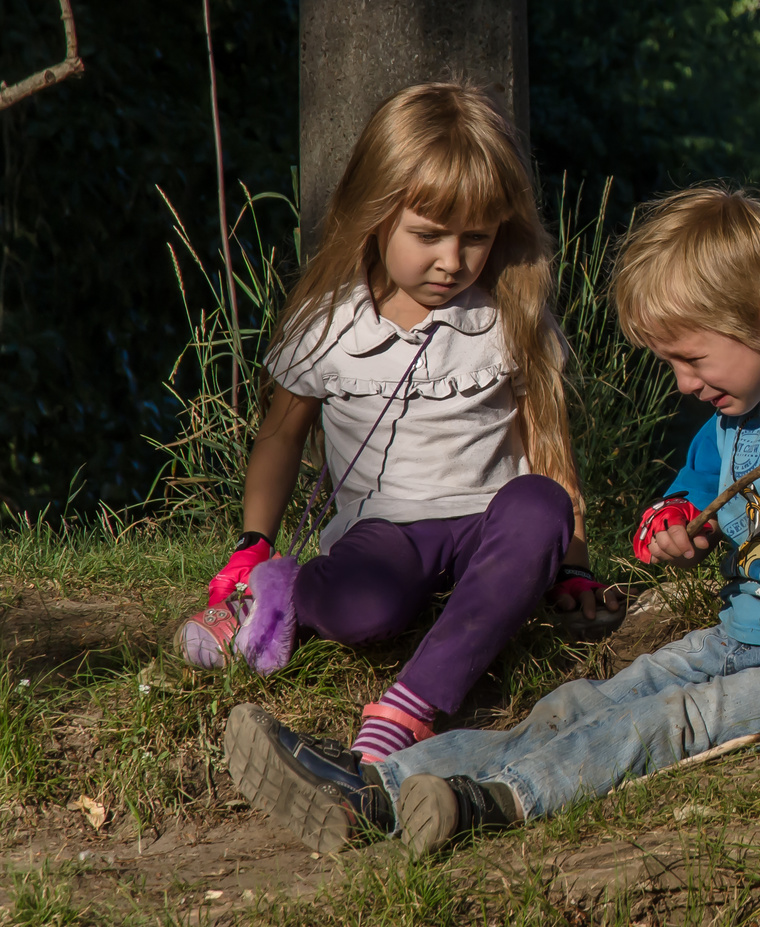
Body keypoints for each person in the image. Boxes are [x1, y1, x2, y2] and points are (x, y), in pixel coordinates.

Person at [222, 185, 760, 856]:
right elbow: (692, 495)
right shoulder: (736, 418)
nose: (685, 384)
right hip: (737, 633)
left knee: (666, 722)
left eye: (691, 359)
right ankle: (374, 784)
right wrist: (673, 526)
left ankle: (492, 800)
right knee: (585, 699)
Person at [180, 82, 620, 764]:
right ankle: (281, 588)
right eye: (428, 235)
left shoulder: (507, 318)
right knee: (363, 611)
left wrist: (574, 563)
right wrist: (253, 541)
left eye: (476, 237)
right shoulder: (330, 323)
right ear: (376, 214)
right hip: (385, 537)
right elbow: (280, 436)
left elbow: (548, 445)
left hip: (489, 525)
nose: (452, 260)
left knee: (539, 505)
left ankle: (411, 702)